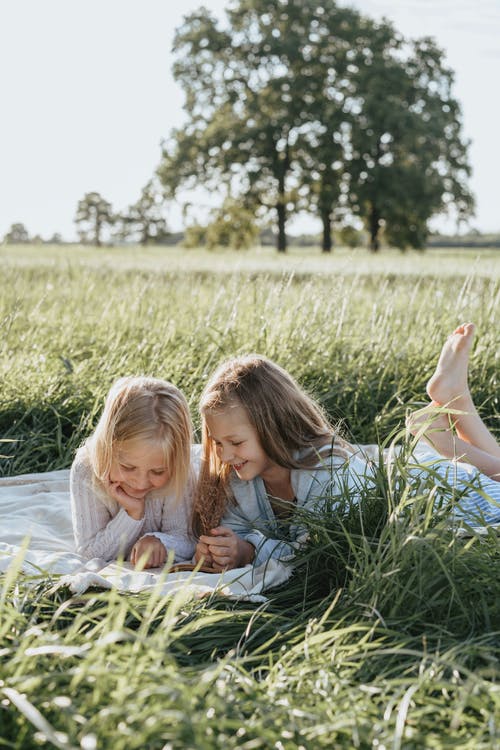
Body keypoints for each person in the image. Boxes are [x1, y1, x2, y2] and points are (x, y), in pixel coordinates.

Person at [192, 323, 500, 572]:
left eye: (236, 442)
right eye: (218, 442)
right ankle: (453, 403)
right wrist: (229, 548)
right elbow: (239, 530)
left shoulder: (325, 470)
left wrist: (248, 552)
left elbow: (309, 555)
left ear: (274, 427)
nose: (225, 454)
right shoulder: (240, 480)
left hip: (434, 494)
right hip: (416, 481)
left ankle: (444, 431)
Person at [71, 376, 197, 568]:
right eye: (128, 467)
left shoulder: (179, 470)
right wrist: (132, 514)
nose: (140, 483)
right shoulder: (86, 470)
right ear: (108, 448)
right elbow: (89, 553)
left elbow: (188, 540)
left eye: (157, 471)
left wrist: (158, 542)